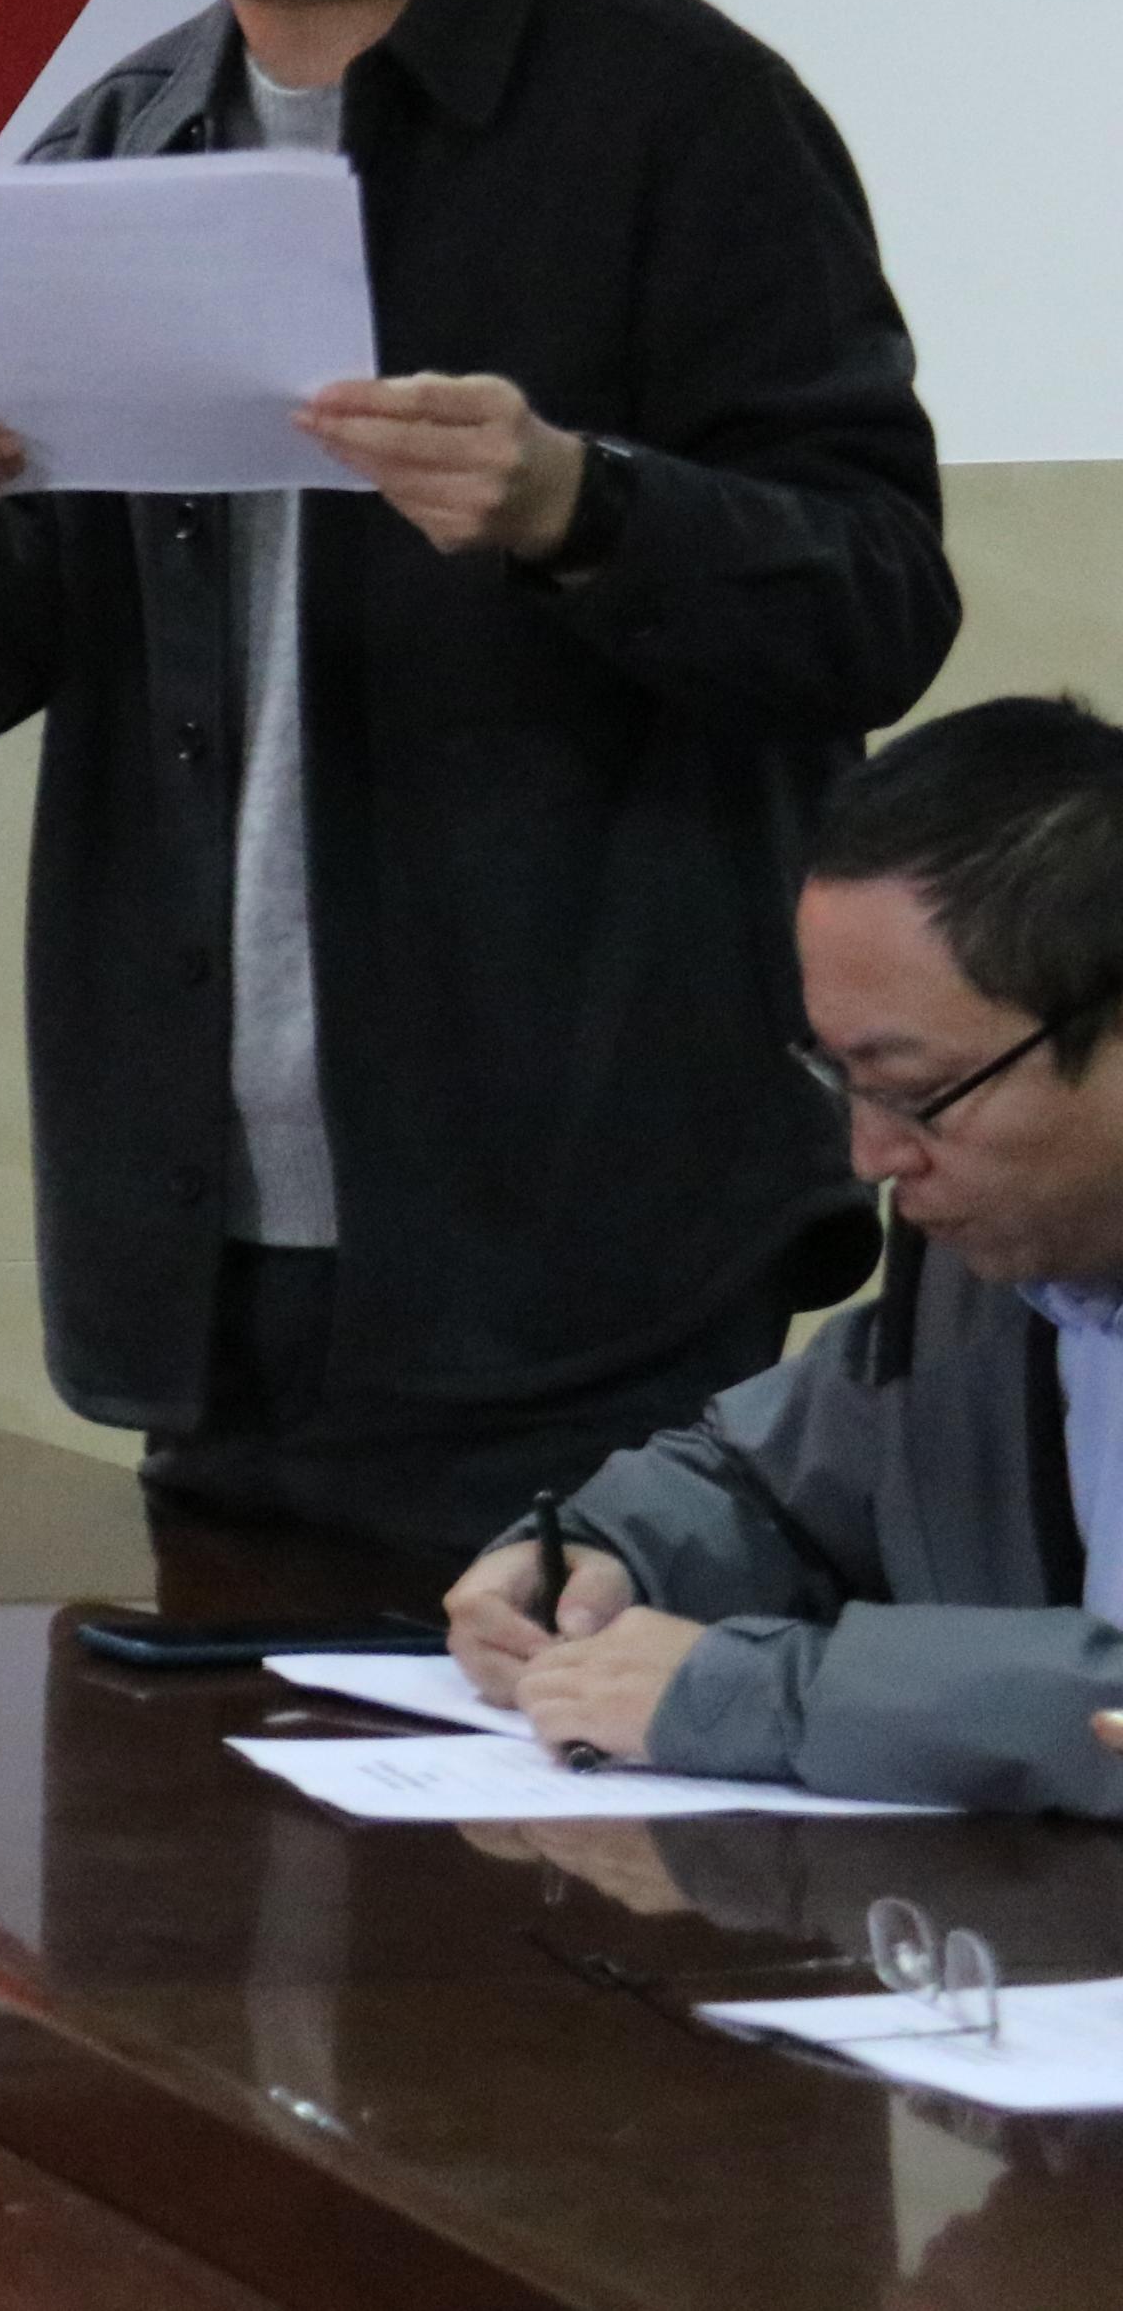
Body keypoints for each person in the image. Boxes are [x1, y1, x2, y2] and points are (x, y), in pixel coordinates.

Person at [0, 0, 954, 1551]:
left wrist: (579, 504)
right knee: (206, 1758)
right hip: (209, 1242)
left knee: (571, 1758)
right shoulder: (112, 152)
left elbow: (876, 600)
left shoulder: (674, 119)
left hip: (582, 1230)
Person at [451, 700, 1123, 1815]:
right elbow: (777, 1489)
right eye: (843, 1081)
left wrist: (761, 1695)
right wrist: (597, 1558)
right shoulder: (986, 1273)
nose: (871, 1157)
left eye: (916, 1092)